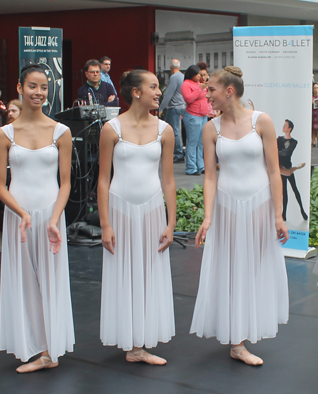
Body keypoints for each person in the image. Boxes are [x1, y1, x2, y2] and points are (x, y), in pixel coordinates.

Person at [191, 66, 289, 366]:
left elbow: (275, 171)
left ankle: (243, 335)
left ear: (229, 91)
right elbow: (210, 177)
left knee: (254, 269)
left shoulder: (262, 121)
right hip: (227, 208)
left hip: (259, 205)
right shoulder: (212, 128)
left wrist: (278, 214)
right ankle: (237, 341)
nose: (207, 95)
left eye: (212, 90)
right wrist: (208, 217)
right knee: (230, 270)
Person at [0, 64, 74, 373]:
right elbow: (0, 185)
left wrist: (54, 218)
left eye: (44, 87)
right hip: (19, 217)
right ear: (19, 87)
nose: (39, 92)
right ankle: (35, 346)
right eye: (33, 86)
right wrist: (21, 213)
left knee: (51, 281)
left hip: (51, 215)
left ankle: (50, 351)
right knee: (24, 281)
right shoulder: (5, 134)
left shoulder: (61, 132)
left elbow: (66, 182)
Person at [98, 70, 176, 365]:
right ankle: (131, 344)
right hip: (120, 210)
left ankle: (141, 343)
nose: (159, 92)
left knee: (149, 272)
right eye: (153, 86)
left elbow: (168, 179)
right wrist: (105, 223)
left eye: (159, 87)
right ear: (136, 92)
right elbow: (103, 179)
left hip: (153, 209)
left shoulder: (165, 129)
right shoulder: (112, 128)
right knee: (123, 272)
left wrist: (171, 222)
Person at [0, 99, 22, 231]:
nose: (10, 114)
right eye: (9, 111)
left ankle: (5, 211)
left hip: (18, 168)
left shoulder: (24, 131)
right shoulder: (2, 131)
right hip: (2, 165)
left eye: (14, 111)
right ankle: (2, 207)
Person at [180, 65, 209, 175]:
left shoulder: (198, 84)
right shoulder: (186, 84)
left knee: (201, 143)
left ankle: (200, 166)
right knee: (192, 142)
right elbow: (189, 99)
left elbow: (205, 96)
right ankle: (191, 167)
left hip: (203, 115)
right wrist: (199, 88)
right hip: (193, 115)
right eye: (197, 74)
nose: (199, 76)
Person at [278, 119, 308, 221]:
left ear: (289, 128)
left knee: (295, 189)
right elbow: (275, 151)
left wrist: (278, 152)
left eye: (285, 125)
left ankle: (302, 210)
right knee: (284, 191)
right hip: (281, 169)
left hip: (288, 167)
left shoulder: (294, 142)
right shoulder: (279, 139)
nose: (283, 127)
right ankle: (284, 214)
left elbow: (287, 153)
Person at [159, 59, 186, 163]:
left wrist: (161, 108)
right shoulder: (183, 76)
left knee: (173, 130)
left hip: (174, 107)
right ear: (179, 66)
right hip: (181, 106)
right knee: (176, 130)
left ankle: (178, 154)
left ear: (170, 66)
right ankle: (178, 152)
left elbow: (169, 94)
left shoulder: (174, 77)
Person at [312, 83, 318, 147]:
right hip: (313, 114)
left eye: (316, 88)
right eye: (314, 88)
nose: (315, 89)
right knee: (313, 129)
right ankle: (313, 141)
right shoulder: (311, 97)